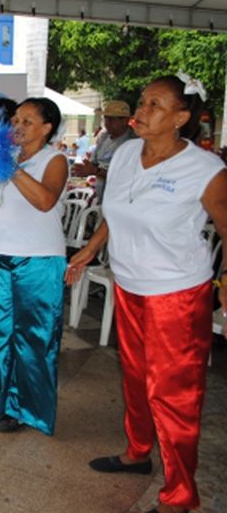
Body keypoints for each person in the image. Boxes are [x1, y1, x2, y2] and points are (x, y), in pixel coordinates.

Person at [66, 75, 227, 513]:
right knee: (135, 379)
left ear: (180, 117)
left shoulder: (205, 170)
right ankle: (137, 453)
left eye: (156, 104)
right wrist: (89, 249)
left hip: (177, 294)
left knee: (172, 394)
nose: (143, 108)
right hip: (131, 285)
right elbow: (117, 212)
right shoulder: (124, 155)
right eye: (143, 100)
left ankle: (181, 494)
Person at [0, 97, 68, 435]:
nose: (17, 125)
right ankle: (6, 399)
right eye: (16, 119)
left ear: (47, 129)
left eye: (28, 121)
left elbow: (45, 201)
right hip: (1, 255)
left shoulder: (54, 158)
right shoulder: (10, 156)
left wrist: (10, 168)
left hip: (39, 258)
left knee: (34, 339)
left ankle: (31, 410)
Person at [73, 100, 135, 197]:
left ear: (125, 120)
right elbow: (94, 162)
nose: (107, 123)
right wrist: (85, 169)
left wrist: (96, 171)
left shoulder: (133, 141)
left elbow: (126, 175)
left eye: (112, 119)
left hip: (121, 196)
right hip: (101, 193)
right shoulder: (104, 137)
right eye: (106, 119)